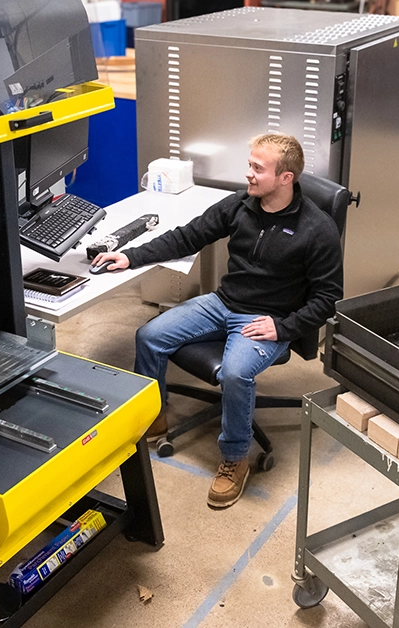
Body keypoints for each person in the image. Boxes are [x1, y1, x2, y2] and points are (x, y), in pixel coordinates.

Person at [93, 133, 343, 509]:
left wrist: (283, 328)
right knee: (149, 335)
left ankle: (236, 458)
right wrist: (131, 256)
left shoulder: (317, 229)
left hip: (266, 319)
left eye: (257, 168)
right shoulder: (241, 204)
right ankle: (154, 416)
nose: (248, 174)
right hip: (223, 304)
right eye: (249, 165)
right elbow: (188, 236)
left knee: (235, 373)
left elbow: (328, 298)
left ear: (286, 178)